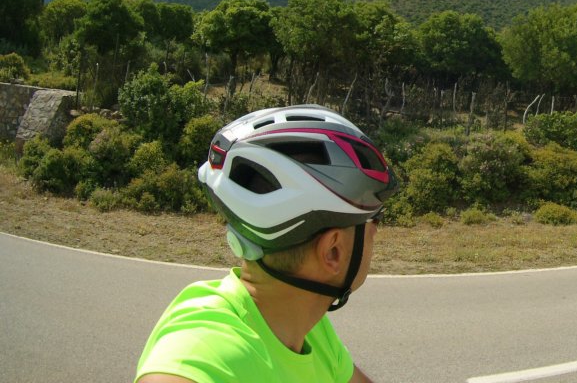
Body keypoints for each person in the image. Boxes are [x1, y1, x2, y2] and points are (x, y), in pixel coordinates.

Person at [135, 105, 399, 383]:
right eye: (375, 221)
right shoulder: (205, 348)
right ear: (333, 251)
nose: (376, 233)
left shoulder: (312, 331)